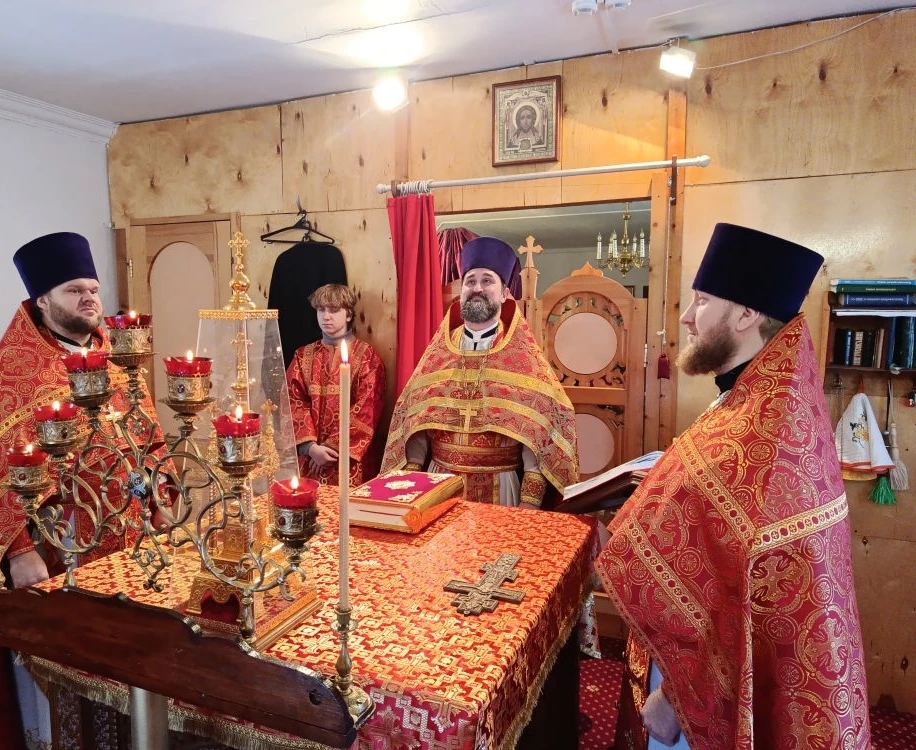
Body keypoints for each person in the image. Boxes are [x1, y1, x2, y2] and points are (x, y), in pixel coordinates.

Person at [595, 223, 870, 749]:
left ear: (745, 314)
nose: (687, 317)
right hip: (690, 663)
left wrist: (672, 698)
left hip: (703, 698)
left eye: (702, 301)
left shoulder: (768, 426)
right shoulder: (760, 396)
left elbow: (746, 593)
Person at [0, 231, 165, 750]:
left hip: (130, 541)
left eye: (93, 290)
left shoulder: (116, 359)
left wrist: (160, 496)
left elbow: (147, 438)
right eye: (73, 291)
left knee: (135, 662)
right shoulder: (10, 373)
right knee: (68, 677)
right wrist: (19, 551)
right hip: (61, 549)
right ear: (41, 300)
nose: (89, 299)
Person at [382, 236, 577, 507]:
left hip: (501, 487)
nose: (477, 288)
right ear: (462, 291)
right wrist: (411, 489)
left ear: (505, 293)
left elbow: (540, 437)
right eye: (470, 281)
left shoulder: (524, 359)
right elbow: (414, 428)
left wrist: (529, 505)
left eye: (487, 281)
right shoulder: (438, 356)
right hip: (438, 485)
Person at [287, 283, 387, 486]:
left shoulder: (367, 357)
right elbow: (293, 402)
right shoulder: (302, 355)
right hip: (310, 460)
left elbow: (367, 409)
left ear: (348, 314)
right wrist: (310, 448)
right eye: (321, 310)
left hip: (350, 462)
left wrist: (331, 448)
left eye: (333, 310)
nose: (326, 317)